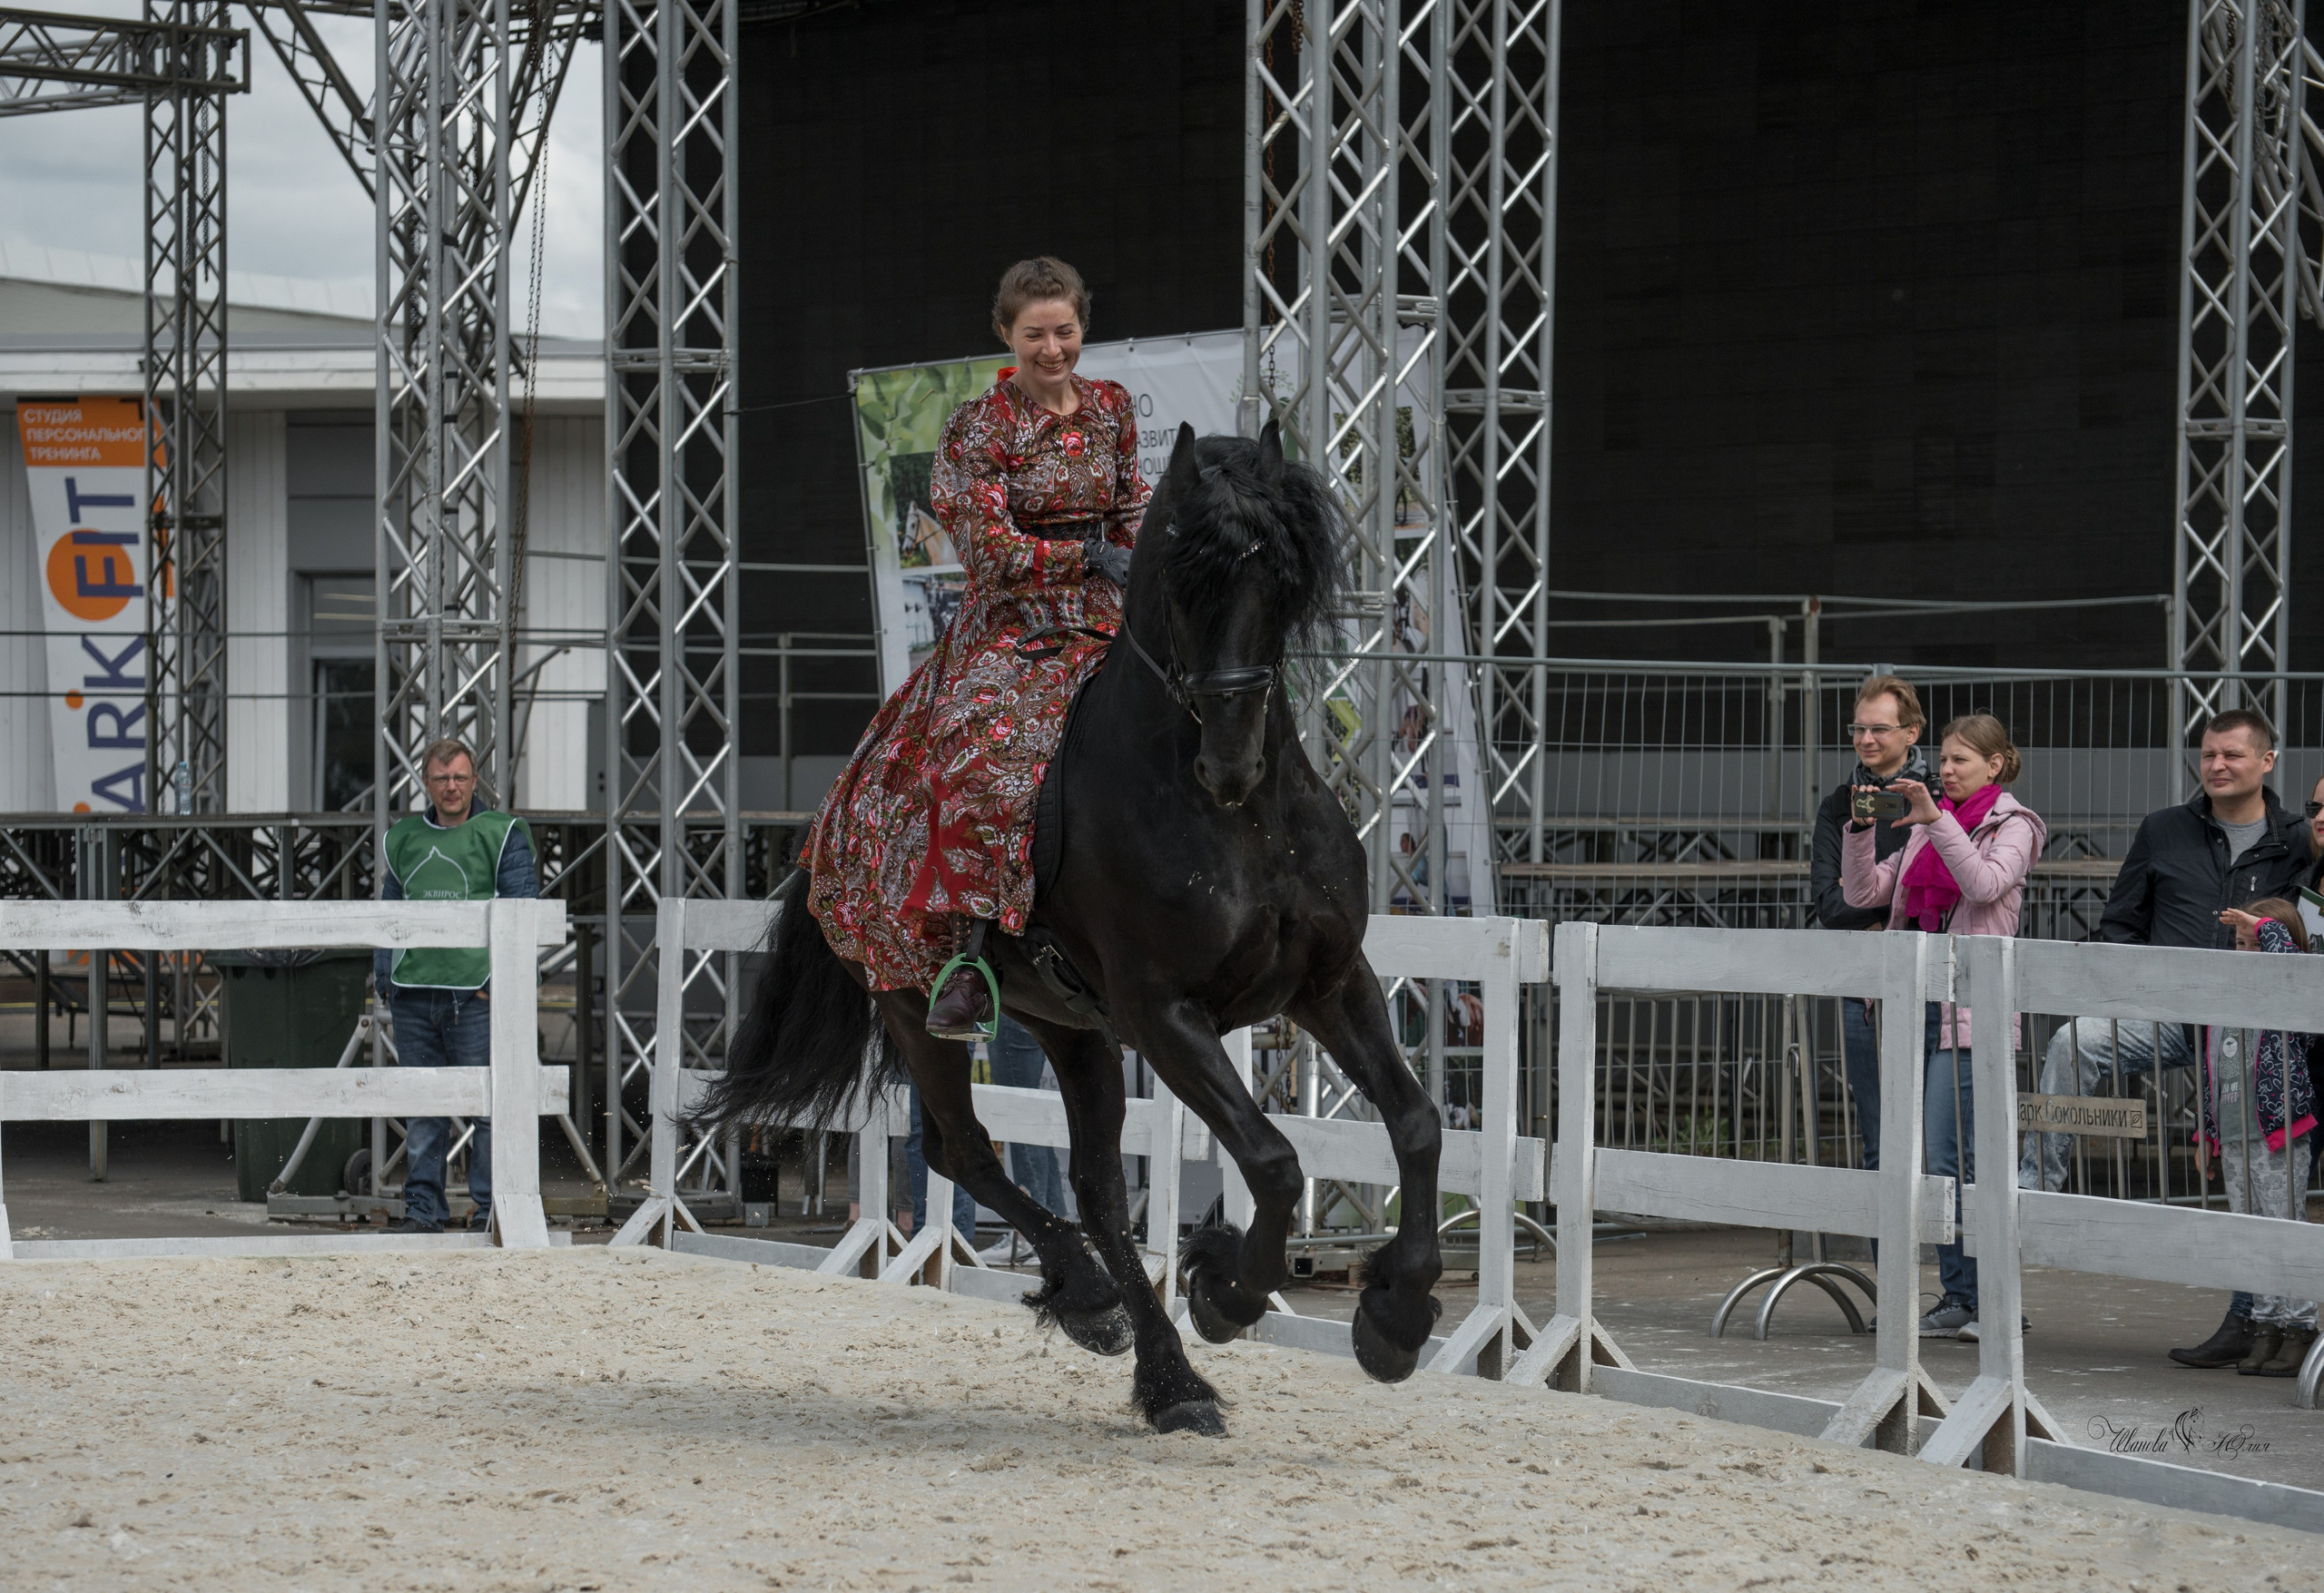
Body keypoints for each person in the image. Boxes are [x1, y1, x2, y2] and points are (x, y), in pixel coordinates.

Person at [803, 257, 1146, 1037]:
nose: (1052, 349)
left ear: (1082, 328)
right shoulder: (977, 427)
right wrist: (1087, 556)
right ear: (1006, 334)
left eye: (1065, 332)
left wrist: (1141, 553)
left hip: (1107, 609)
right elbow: (989, 549)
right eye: (1036, 335)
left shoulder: (1114, 408)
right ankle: (971, 955)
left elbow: (1131, 504)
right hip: (1013, 622)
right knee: (976, 759)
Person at [2008, 711, 2308, 1368]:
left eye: (2232, 754)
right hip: (2168, 1012)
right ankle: (2034, 1191)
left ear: (2267, 761)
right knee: (2073, 1041)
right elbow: (2120, 922)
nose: (2217, 764)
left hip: (2251, 1032)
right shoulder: (2163, 828)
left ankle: (2253, 1314)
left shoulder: (2297, 839)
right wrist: (2127, 992)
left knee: (2252, 1169)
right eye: (2208, 754)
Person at [1844, 713, 2044, 1341]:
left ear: (1996, 763)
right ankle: (1963, 1295)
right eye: (1945, 759)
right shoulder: (1935, 825)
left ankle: (1981, 1298)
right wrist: (1860, 827)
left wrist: (1937, 819)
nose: (1947, 769)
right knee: (1936, 1159)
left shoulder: (2016, 826)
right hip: (1918, 1006)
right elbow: (1864, 893)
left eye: (1961, 760)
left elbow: (1983, 885)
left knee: (1955, 1157)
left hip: (1970, 1012)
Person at [374, 738, 539, 1234]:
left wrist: (500, 983)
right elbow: (389, 910)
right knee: (423, 1110)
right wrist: (386, 978)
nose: (451, 787)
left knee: (488, 1107)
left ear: (474, 781)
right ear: (426, 782)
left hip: (475, 993)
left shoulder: (503, 832)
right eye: (442, 778)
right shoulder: (403, 838)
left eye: (460, 778)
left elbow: (522, 909)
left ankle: (490, 1212)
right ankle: (423, 1213)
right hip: (414, 991)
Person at [1809, 674, 1932, 1174]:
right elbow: (1828, 904)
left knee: (1939, 1139)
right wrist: (1889, 912)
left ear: (1912, 732)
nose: (1866, 740)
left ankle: (1949, 1256)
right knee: (1879, 1139)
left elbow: (1940, 899)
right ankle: (1889, 1256)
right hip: (1863, 987)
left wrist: (1882, 914)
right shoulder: (1839, 804)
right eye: (1858, 729)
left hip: (1931, 983)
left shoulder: (1936, 798)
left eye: (1879, 729)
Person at [2200, 900, 2319, 1377]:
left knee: (2282, 1227)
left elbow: (2290, 964)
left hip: (2277, 1135)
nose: (2245, 952)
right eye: (2239, 943)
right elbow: (2211, 1072)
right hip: (2233, 1136)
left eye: (2256, 944)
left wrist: (2265, 927)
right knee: (2250, 1236)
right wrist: (2206, 1135)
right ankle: (2266, 1327)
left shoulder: (2287, 1001)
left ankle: (2301, 1327)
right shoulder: (2221, 1003)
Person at [978, 1016, 1069, 1264]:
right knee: (1029, 1114)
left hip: (1012, 1010)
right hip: (1029, 1010)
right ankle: (1054, 1224)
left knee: (1019, 1113)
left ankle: (1031, 1233)